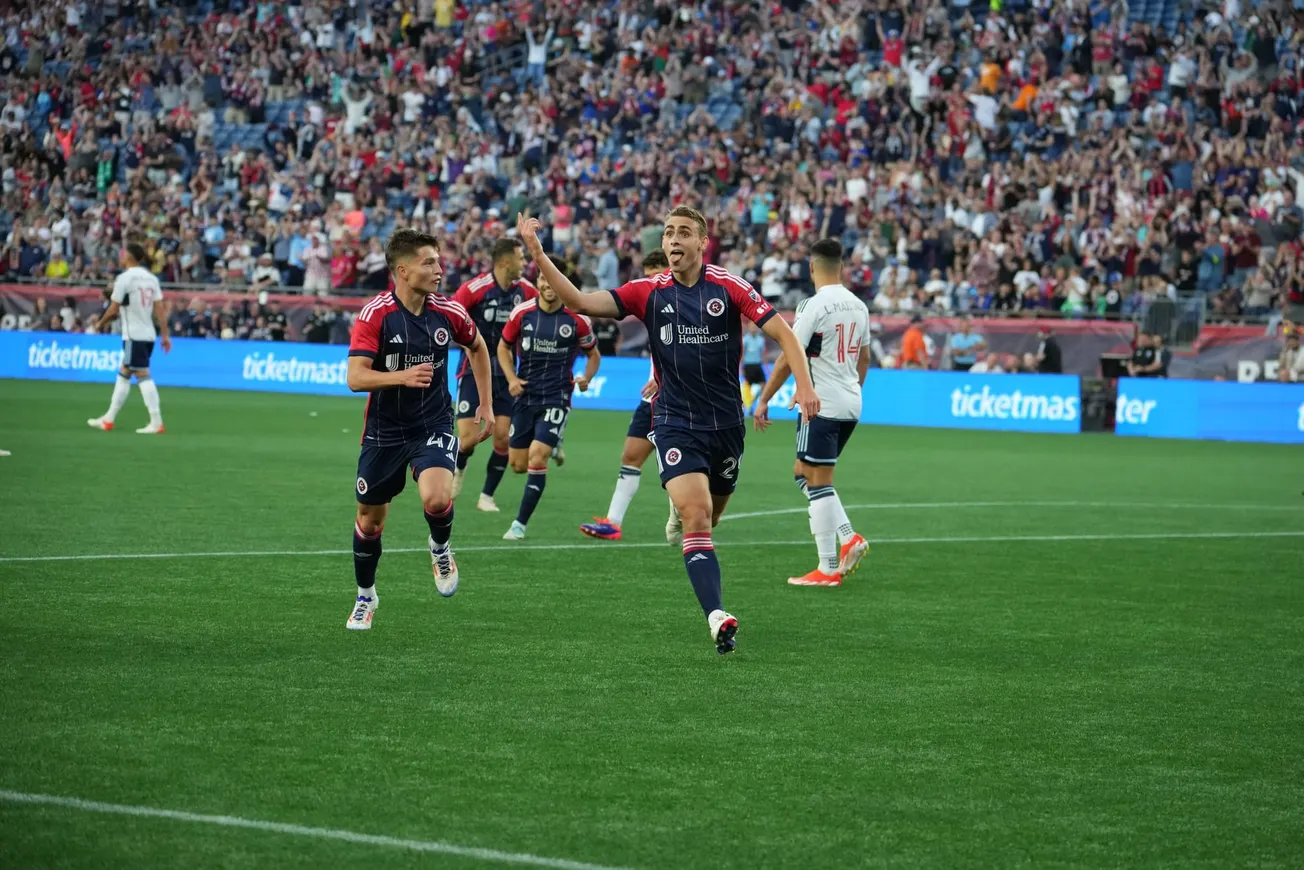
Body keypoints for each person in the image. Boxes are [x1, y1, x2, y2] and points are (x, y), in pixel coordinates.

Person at [518, 206, 820, 655]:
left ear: (703, 243)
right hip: (675, 421)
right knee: (699, 517)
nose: (673, 241)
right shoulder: (647, 292)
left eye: (683, 233)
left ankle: (683, 511)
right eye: (667, 233)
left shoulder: (729, 287)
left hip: (726, 426)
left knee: (709, 518)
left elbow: (785, 335)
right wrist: (539, 254)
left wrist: (805, 385)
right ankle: (717, 615)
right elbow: (581, 302)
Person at [344, 228, 493, 631]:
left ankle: (440, 547)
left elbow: (478, 347)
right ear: (403, 270)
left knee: (437, 498)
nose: (439, 269)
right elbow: (356, 378)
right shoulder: (376, 314)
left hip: (432, 423)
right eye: (430, 262)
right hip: (384, 432)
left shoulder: (449, 312)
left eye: (439, 261)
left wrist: (486, 403)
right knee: (370, 521)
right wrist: (401, 376)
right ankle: (366, 596)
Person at [754, 239, 871, 588]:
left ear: (811, 268)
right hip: (851, 402)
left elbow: (791, 353)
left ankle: (828, 567)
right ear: (842, 267)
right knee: (803, 474)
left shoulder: (813, 304)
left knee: (818, 481)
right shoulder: (859, 305)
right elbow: (864, 358)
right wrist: (853, 389)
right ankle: (848, 536)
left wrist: (764, 399)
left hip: (820, 403)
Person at [498, 255, 602, 540]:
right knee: (518, 465)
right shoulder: (522, 314)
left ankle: (519, 524)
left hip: (557, 395)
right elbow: (503, 347)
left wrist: (587, 377)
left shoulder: (577, 320)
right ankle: (555, 443)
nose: (547, 285)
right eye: (543, 279)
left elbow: (594, 354)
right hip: (526, 395)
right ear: (538, 282)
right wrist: (511, 378)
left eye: (552, 280)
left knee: (537, 456)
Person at [580, 249, 669, 541]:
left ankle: (686, 518)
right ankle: (613, 522)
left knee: (680, 466)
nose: (652, 281)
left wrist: (665, 378)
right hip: (650, 397)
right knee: (631, 455)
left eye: (658, 273)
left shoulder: (689, 305)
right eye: (648, 275)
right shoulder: (650, 304)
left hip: (678, 397)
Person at [450, 237, 538, 512]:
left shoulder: (526, 291)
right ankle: (458, 468)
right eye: (520, 257)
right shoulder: (475, 289)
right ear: (504, 261)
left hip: (507, 375)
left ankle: (486, 496)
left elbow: (544, 314)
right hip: (474, 373)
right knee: (467, 439)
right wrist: (469, 346)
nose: (524, 263)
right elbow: (450, 318)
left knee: (502, 438)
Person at [87, 243, 172, 434]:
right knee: (125, 372)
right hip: (148, 334)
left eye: (123, 253)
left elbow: (113, 308)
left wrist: (100, 324)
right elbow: (159, 308)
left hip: (134, 334)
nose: (121, 256)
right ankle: (108, 418)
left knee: (142, 374)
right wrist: (165, 335)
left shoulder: (125, 278)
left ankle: (156, 421)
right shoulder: (151, 278)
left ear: (129, 257)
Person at [740, 320, 768, 411]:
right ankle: (744, 406)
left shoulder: (761, 340)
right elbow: (742, 354)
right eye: (752, 326)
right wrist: (741, 367)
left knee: (764, 386)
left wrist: (767, 368)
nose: (753, 328)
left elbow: (763, 355)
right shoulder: (745, 340)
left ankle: (752, 402)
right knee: (748, 387)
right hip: (748, 366)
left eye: (755, 326)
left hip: (758, 365)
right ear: (748, 328)